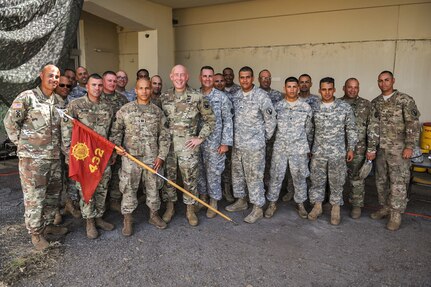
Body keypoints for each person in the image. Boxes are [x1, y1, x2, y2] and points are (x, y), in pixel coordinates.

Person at [4, 64, 68, 250]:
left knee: (53, 195)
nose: (54, 79)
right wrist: (22, 145)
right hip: (33, 161)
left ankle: (48, 225)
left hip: (54, 158)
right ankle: (35, 234)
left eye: (57, 76)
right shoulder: (27, 97)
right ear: (41, 76)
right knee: (35, 197)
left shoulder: (58, 101)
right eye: (50, 75)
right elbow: (10, 122)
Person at [110, 78, 170, 235]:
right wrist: (117, 147)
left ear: (151, 90)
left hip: (152, 158)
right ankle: (128, 220)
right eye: (141, 88)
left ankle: (154, 216)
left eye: (147, 88)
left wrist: (161, 156)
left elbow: (164, 136)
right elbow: (116, 131)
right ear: (135, 90)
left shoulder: (157, 112)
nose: (144, 91)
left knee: (153, 188)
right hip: (131, 158)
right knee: (129, 188)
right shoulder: (125, 110)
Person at [160, 65, 216, 226]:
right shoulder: (164, 97)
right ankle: (170, 207)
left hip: (188, 147)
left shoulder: (197, 97)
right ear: (171, 77)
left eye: (182, 75)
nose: (179, 78)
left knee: (190, 179)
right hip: (169, 147)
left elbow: (210, 120)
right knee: (169, 179)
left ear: (187, 77)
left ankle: (190, 209)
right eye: (176, 75)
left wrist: (200, 138)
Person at [62, 73, 115, 239]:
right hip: (83, 157)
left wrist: (112, 151)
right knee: (86, 189)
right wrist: (69, 153)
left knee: (102, 186)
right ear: (87, 86)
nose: (97, 88)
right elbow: (66, 131)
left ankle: (99, 216)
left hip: (102, 155)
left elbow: (113, 130)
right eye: (94, 85)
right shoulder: (75, 106)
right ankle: (89, 221)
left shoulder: (108, 107)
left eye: (100, 85)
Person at [368, 71, 420, 231]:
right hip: (381, 150)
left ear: (393, 81)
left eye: (386, 80)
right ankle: (385, 207)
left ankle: (396, 214)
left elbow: (413, 124)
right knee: (381, 180)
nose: (383, 83)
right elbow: (372, 127)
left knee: (398, 182)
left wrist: (410, 146)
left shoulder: (404, 100)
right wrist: (371, 148)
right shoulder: (375, 102)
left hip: (399, 150)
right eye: (380, 81)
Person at [225, 66, 276, 224]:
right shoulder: (236, 95)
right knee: (238, 174)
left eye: (247, 77)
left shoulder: (261, 96)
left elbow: (271, 119)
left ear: (252, 78)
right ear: (239, 79)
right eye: (242, 77)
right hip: (238, 145)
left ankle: (258, 207)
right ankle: (242, 201)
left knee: (254, 177)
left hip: (255, 146)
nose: (244, 80)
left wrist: (263, 139)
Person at [308, 77, 357, 225]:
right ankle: (317, 206)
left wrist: (351, 148)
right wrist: (308, 148)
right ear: (319, 90)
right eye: (324, 89)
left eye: (330, 89)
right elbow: (310, 130)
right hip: (318, 152)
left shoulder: (344, 107)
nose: (327, 92)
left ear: (334, 90)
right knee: (317, 180)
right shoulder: (314, 107)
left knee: (337, 181)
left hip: (337, 152)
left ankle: (335, 208)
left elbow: (351, 129)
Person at [265, 77, 313, 219]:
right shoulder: (278, 107)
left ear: (298, 88)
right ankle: (272, 203)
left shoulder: (305, 108)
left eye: (294, 87)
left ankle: (301, 204)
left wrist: (308, 149)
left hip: (299, 149)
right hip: (280, 148)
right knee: (276, 176)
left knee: (299, 178)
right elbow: (271, 128)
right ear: (285, 88)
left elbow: (309, 130)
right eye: (289, 87)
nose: (291, 89)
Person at [197, 66, 233, 218]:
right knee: (199, 172)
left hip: (215, 143)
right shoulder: (195, 95)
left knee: (214, 173)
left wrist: (225, 142)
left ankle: (213, 201)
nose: (207, 79)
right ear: (200, 77)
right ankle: (203, 198)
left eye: (210, 76)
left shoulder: (221, 97)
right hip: (197, 142)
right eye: (204, 76)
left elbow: (228, 120)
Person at [281, 73, 320, 202]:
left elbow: (313, 125)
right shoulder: (285, 102)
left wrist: (310, 144)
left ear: (311, 84)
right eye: (301, 82)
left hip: (309, 138)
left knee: (305, 171)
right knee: (292, 170)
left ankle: (306, 196)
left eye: (306, 82)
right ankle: (291, 191)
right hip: (293, 141)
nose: (304, 84)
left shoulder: (316, 100)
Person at [340, 78, 375, 219]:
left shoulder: (366, 105)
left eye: (355, 87)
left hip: (359, 149)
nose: (352, 90)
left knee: (357, 179)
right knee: (336, 177)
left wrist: (371, 148)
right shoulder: (338, 104)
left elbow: (372, 128)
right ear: (344, 88)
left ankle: (356, 205)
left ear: (359, 88)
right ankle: (333, 202)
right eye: (349, 87)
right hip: (339, 147)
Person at [53, 76, 81, 222]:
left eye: (68, 86)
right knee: (55, 182)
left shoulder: (72, 103)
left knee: (71, 179)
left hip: (69, 149)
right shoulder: (49, 102)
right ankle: (56, 211)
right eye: (62, 85)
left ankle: (70, 204)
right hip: (53, 150)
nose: (65, 88)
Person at [101, 71, 129, 213]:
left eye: (114, 81)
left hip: (118, 142)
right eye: (110, 80)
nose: (112, 83)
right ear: (103, 81)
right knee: (102, 175)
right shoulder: (97, 98)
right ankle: (102, 204)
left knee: (117, 172)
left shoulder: (122, 99)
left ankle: (114, 200)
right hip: (102, 143)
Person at [258, 69, 284, 189]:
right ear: (259, 79)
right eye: (263, 78)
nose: (266, 80)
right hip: (257, 137)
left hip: (273, 137)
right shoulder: (255, 94)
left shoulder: (278, 95)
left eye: (268, 78)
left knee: (271, 164)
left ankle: (270, 189)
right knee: (258, 164)